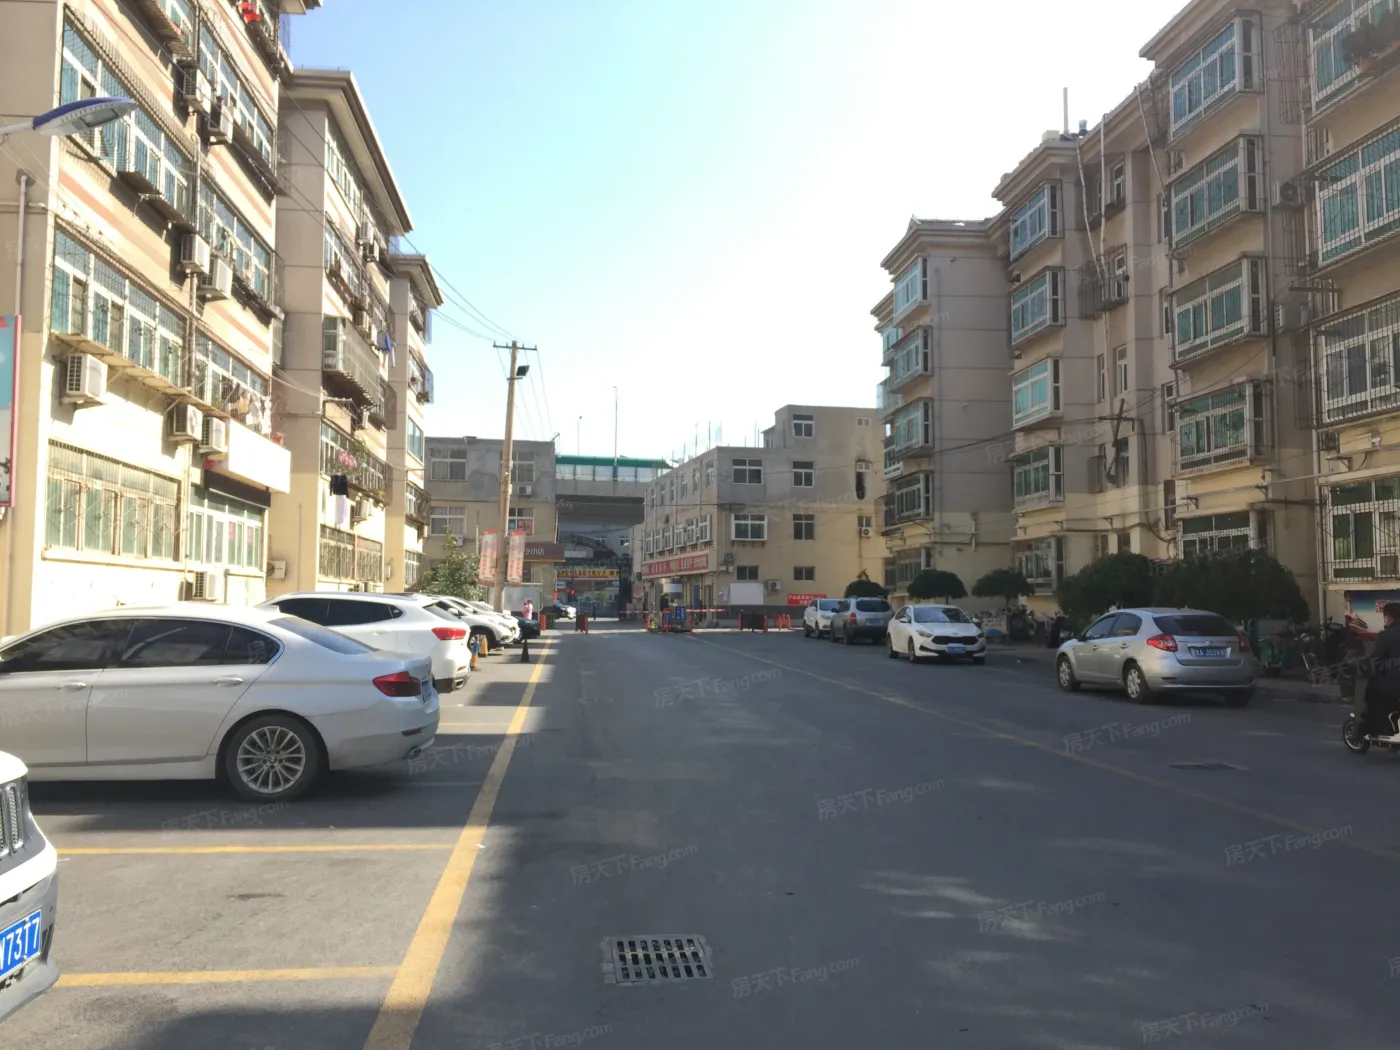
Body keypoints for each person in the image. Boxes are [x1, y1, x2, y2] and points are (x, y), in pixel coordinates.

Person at [1363, 602, 1400, 737]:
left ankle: (1380, 730)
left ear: (1389, 616)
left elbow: (1375, 658)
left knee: (1372, 692)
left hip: (1393, 683)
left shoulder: (1387, 635)